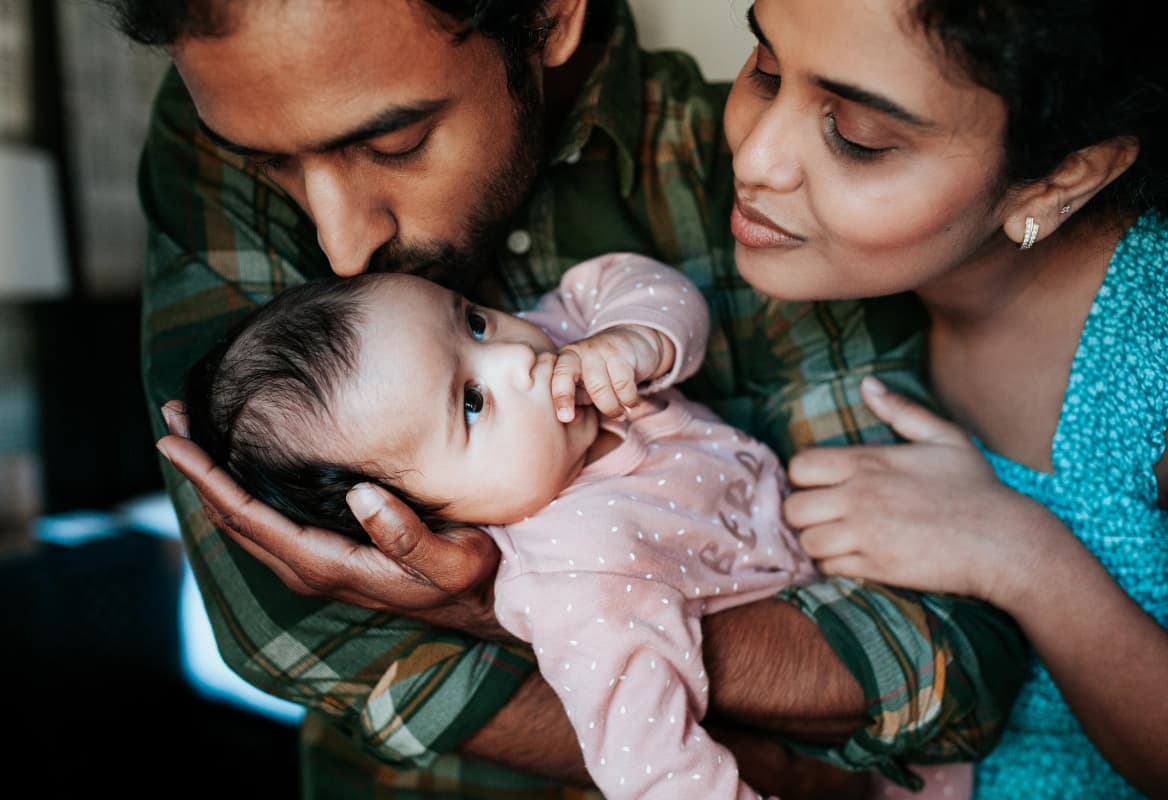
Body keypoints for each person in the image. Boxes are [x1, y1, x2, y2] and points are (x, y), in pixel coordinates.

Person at [116, 0, 1027, 796]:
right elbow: (292, 633)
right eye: (268, 167)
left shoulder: (746, 173)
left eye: (396, 142)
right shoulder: (246, 86)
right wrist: (596, 628)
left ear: (552, 13)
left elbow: (954, 660)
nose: (342, 247)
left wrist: (482, 613)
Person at [721, 0, 1168, 797]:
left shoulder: (1155, 348)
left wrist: (1021, 556)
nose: (757, 157)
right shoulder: (813, 289)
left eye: (857, 136)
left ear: (1062, 178)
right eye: (765, 69)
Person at [185, 252, 824, 799]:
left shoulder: (569, 344)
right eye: (470, 403)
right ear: (411, 518)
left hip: (833, 530)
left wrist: (637, 335)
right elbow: (654, 769)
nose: (518, 355)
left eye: (474, 321)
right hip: (819, 636)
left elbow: (628, 280)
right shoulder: (579, 578)